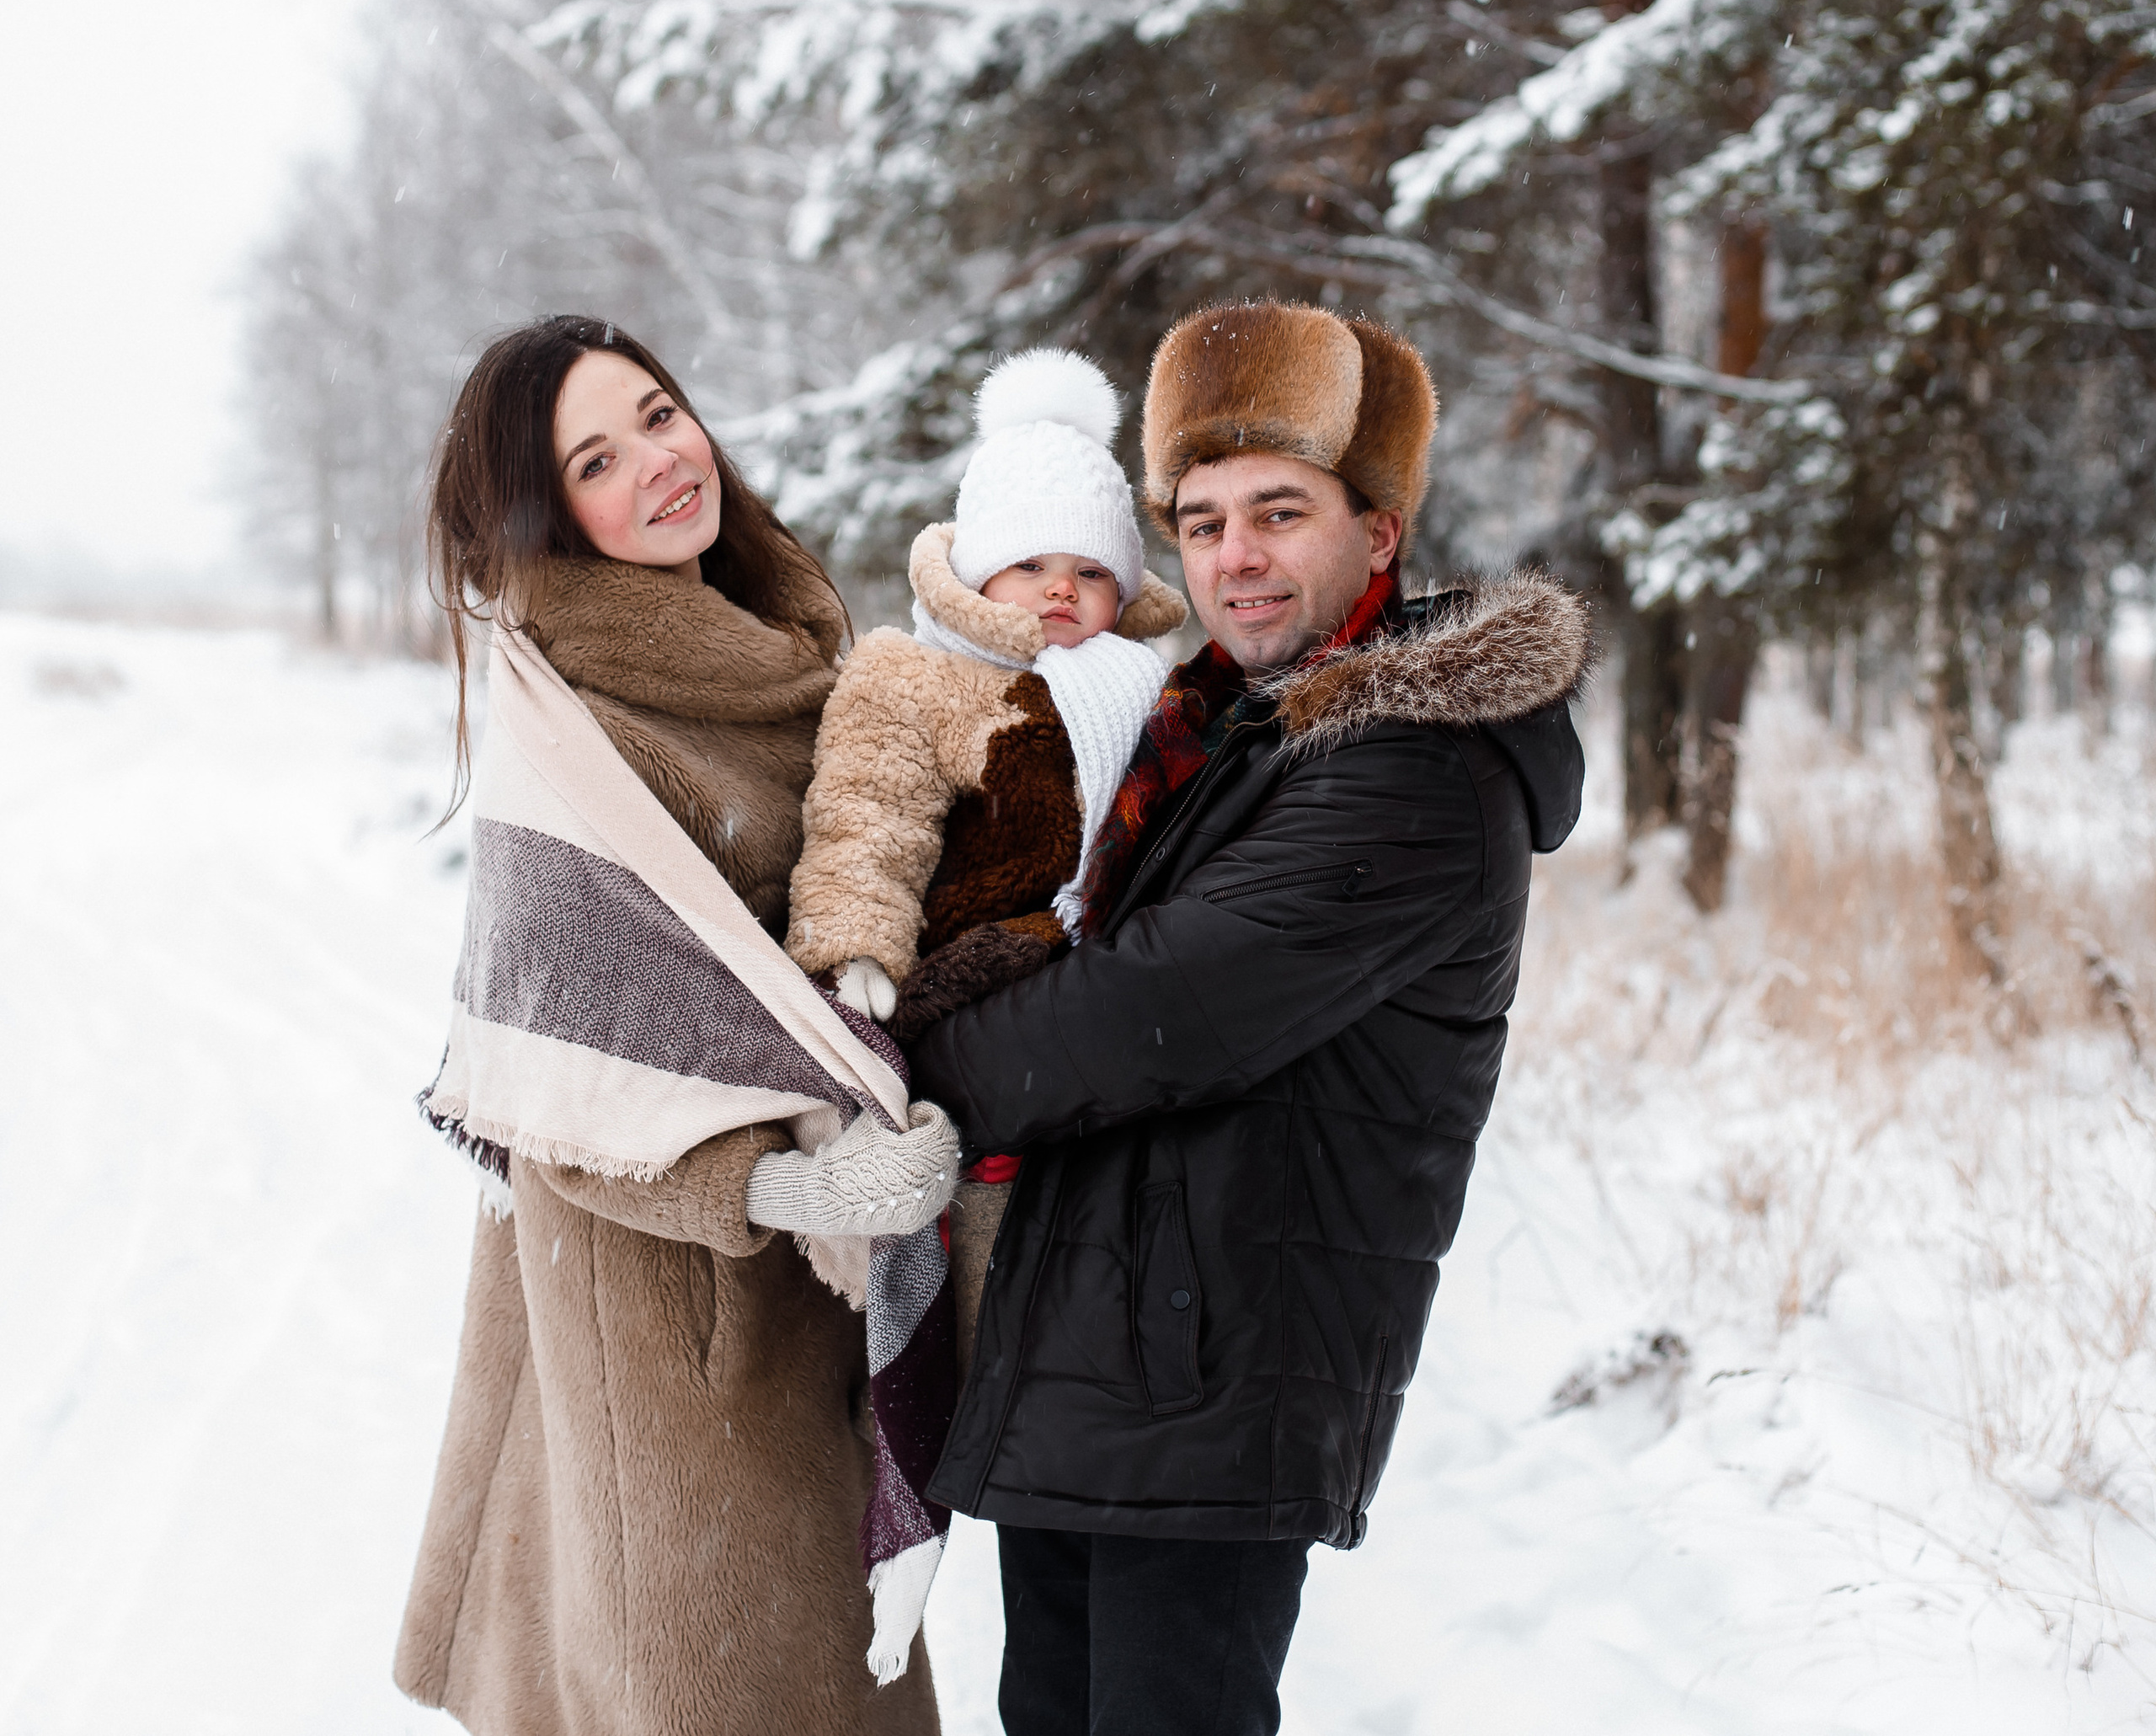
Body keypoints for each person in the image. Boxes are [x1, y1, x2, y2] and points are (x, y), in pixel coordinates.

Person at [905, 300, 1593, 1736]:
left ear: (1378, 534)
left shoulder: (1412, 761)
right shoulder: (1219, 729)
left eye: (1279, 512)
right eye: (1203, 522)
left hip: (1214, 1367)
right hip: (1103, 1353)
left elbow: (1146, 1013)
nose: (1236, 556)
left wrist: (900, 1063)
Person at [393, 316, 953, 1736]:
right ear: (548, 515)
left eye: (658, 413)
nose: (658, 460)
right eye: (597, 456)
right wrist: (780, 1182)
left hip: (812, 1300)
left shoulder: (783, 652)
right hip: (672, 1341)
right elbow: (551, 1080)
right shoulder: (579, 728)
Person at [783, 350, 1186, 1370]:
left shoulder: (1143, 684)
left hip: (1107, 992)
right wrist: (857, 946)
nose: (1063, 588)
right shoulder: (916, 679)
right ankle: (962, 1346)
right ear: (975, 570)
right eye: (1033, 564)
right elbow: (866, 820)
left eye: (1093, 570)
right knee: (991, 1219)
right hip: (974, 982)